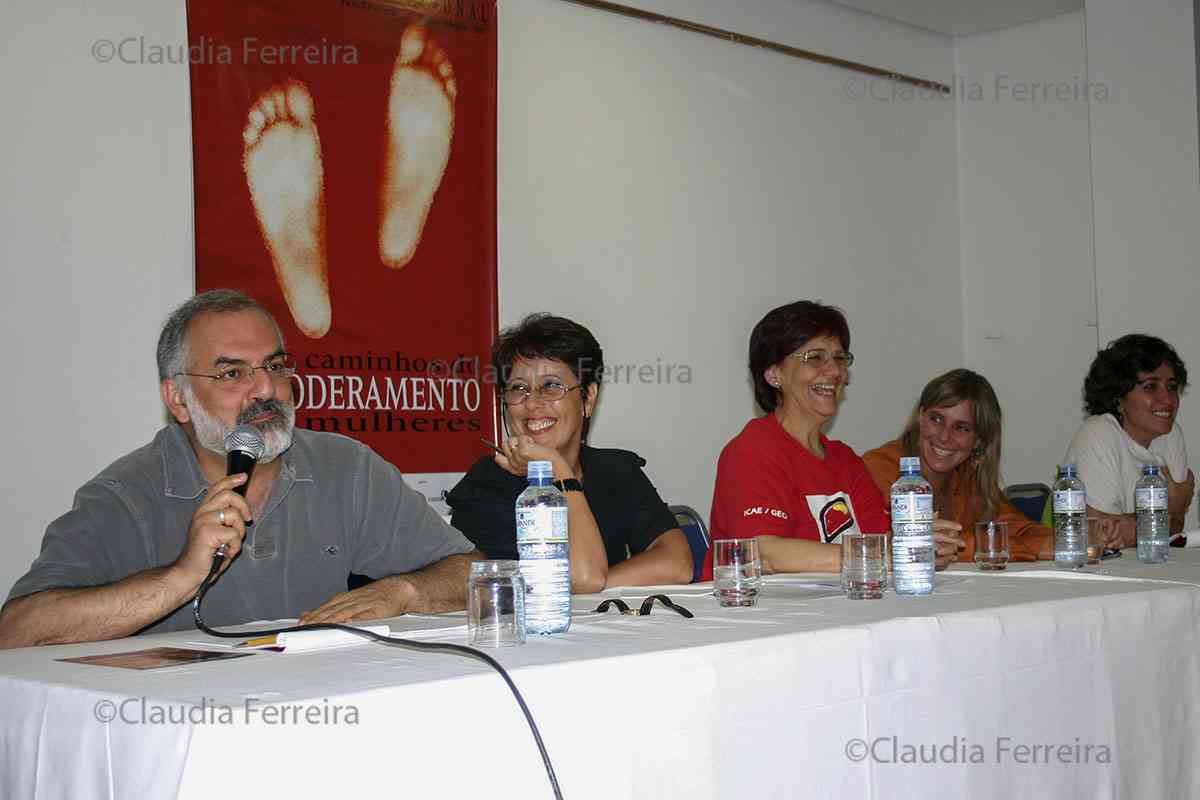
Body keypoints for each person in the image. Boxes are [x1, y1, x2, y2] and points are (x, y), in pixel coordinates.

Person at [0, 290, 479, 649]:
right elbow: (18, 632)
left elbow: (475, 573)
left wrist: (404, 590)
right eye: (232, 374)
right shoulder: (126, 494)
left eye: (274, 366)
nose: (266, 390)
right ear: (177, 400)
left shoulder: (345, 466)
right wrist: (181, 576)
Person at [446, 314, 693, 591]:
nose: (533, 403)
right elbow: (582, 576)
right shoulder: (486, 484)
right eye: (519, 389)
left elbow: (678, 562)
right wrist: (558, 469)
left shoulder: (614, 470)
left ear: (588, 398)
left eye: (551, 386)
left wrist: (600, 584)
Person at [702, 301, 897, 578]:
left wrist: (919, 544)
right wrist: (881, 554)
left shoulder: (846, 459)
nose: (834, 371)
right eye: (815, 357)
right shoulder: (751, 451)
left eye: (840, 358)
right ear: (773, 374)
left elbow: (881, 544)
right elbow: (764, 553)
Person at [863, 369, 1055, 565]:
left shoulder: (967, 476)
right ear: (920, 417)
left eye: (961, 428)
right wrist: (1030, 547)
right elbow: (916, 542)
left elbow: (1019, 528)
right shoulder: (881, 467)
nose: (944, 436)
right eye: (936, 419)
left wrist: (1057, 542)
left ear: (979, 441)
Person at [1062, 334, 1194, 547]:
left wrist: (1167, 515)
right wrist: (1172, 508)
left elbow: (1174, 528)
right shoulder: (1098, 433)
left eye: (1171, 387)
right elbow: (1103, 534)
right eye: (1151, 387)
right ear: (1118, 397)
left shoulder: (1171, 434)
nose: (1168, 400)